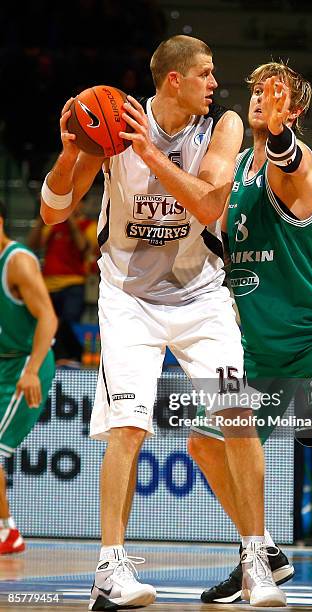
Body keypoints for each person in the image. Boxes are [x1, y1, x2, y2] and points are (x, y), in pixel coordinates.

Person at [40, 35, 289, 611]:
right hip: (129, 299)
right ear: (173, 80)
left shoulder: (221, 126)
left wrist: (150, 154)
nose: (214, 82)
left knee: (236, 414)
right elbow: (54, 212)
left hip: (202, 297)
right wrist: (72, 150)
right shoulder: (115, 120)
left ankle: (256, 559)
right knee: (128, 426)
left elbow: (207, 205)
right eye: (204, 74)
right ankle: (110, 568)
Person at [189, 62, 312, 612]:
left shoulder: (293, 166)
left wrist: (279, 134)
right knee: (203, 443)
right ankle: (264, 555)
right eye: (255, 92)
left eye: (272, 96)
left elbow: (287, 157)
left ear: (293, 111)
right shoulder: (236, 176)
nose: (258, 100)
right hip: (259, 347)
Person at [0, 201, 57, 555]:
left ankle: (7, 531)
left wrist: (33, 370)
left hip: (25, 363)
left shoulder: (18, 262)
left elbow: (48, 319)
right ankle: (7, 529)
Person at [27, 199, 97, 367]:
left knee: (68, 322)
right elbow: (32, 245)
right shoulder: (53, 225)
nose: (73, 205)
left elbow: (83, 247)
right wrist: (43, 215)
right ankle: (57, 358)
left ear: (83, 204)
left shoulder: (89, 225)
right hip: (48, 284)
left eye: (77, 202)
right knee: (48, 324)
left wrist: (70, 218)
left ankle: (72, 356)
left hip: (74, 283)